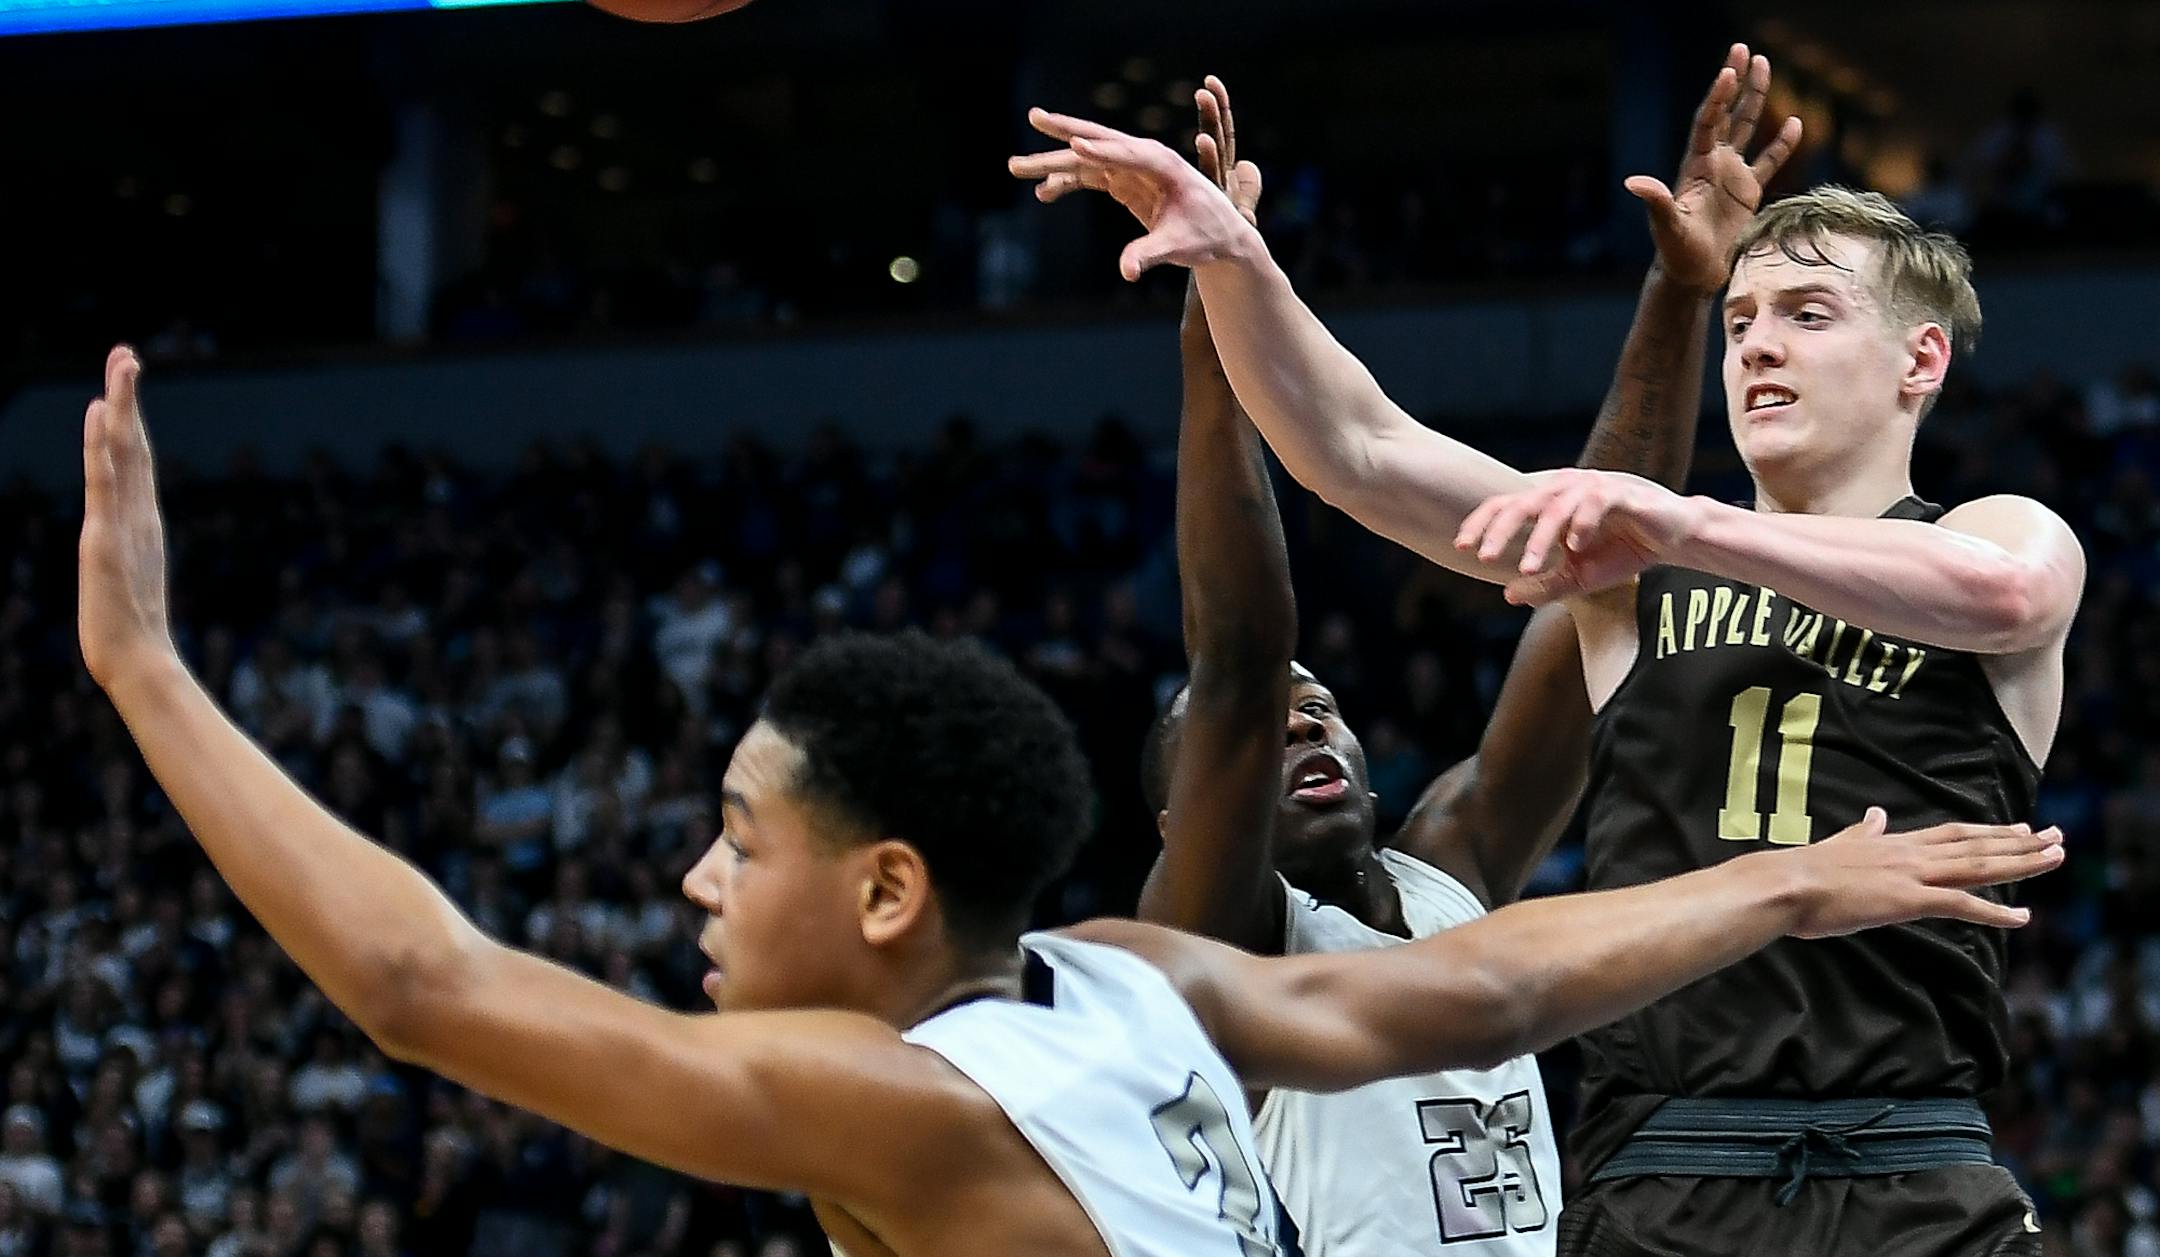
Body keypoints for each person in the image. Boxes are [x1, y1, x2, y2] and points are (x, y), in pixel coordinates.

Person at [79, 348, 2063, 1257]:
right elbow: (1476, 993)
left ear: (883, 893)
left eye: (739, 833)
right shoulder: (1122, 981)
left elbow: (427, 987)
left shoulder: (909, 1105)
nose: (694, 872)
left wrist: (151, 676)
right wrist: (1781, 884)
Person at [1017, 65, 2085, 1257]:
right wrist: (1235, 265)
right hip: (1665, 1175)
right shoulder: (1635, 566)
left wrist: (1686, 523)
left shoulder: (1986, 530)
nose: (1756, 348)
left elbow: (2009, 597)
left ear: (1920, 361)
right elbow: (1362, 450)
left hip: (1914, 1168)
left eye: (1808, 316)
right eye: (1739, 321)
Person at [1141, 56, 1795, 1255]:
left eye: (1321, 707)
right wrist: (1213, 328)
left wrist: (1679, 291)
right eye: (1249, 735)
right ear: (1186, 823)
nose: (1299, 724)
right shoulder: (1219, 938)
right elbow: (1237, 654)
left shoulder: (1452, 870)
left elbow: (1596, 563)